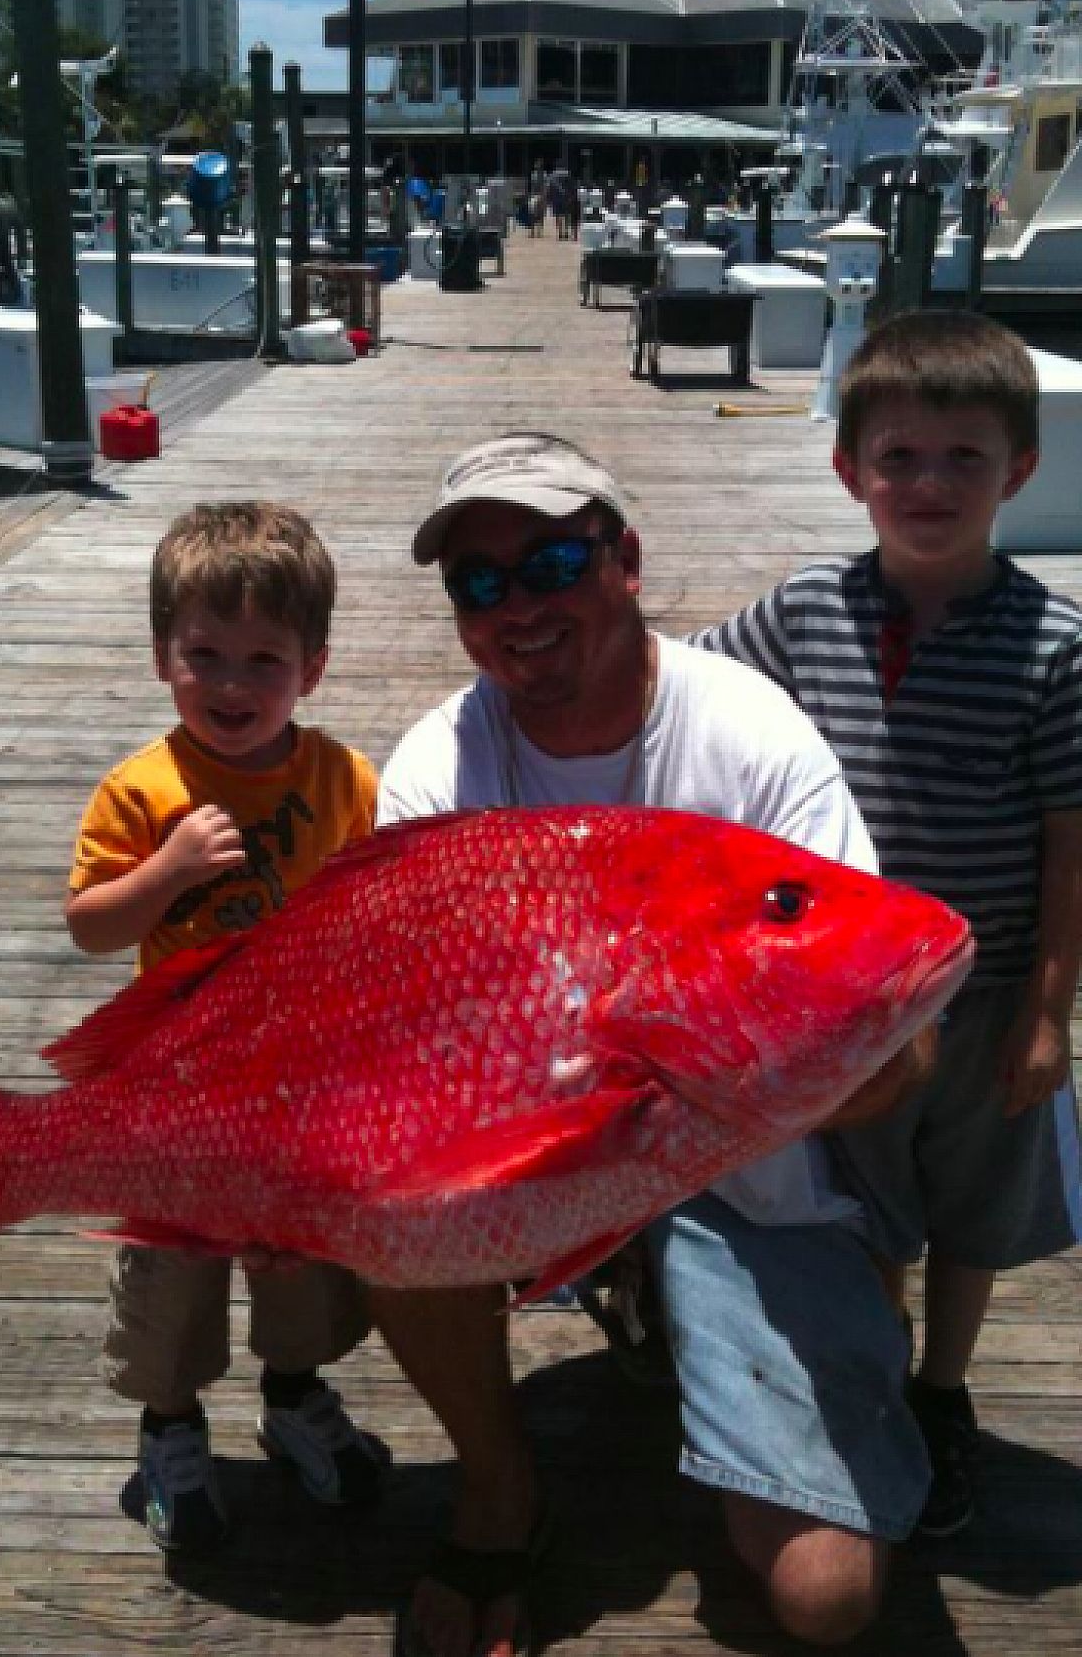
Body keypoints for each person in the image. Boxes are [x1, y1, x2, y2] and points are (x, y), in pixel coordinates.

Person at [373, 432, 933, 1657]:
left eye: (552, 563)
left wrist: (726, 1093)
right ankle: (499, 1488)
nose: (518, 607)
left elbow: (898, 1045)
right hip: (538, 1159)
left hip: (754, 1180)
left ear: (624, 560)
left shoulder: (750, 734)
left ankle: (734, 1317)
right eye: (479, 583)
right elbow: (406, 1050)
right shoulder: (433, 774)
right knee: (367, 1195)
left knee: (827, 1603)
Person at [690, 310, 1082, 1538]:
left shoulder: (1057, 644)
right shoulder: (804, 609)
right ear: (847, 468)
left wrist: (1048, 1015)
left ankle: (942, 1391)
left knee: (974, 1209)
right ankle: (872, 1374)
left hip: (988, 994)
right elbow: (688, 688)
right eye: (899, 457)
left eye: (966, 458)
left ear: (1019, 470)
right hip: (844, 1002)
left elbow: (1071, 848)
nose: (929, 485)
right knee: (861, 1202)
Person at [65, 500, 389, 1556]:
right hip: (176, 1084)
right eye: (205, 655)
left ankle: (293, 1394)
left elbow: (370, 907)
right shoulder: (141, 791)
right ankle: (168, 1425)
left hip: (303, 1078)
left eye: (265, 660)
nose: (233, 685)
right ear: (164, 655)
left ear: (313, 667)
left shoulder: (343, 780)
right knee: (175, 1269)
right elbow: (91, 927)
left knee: (305, 1260)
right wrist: (165, 873)